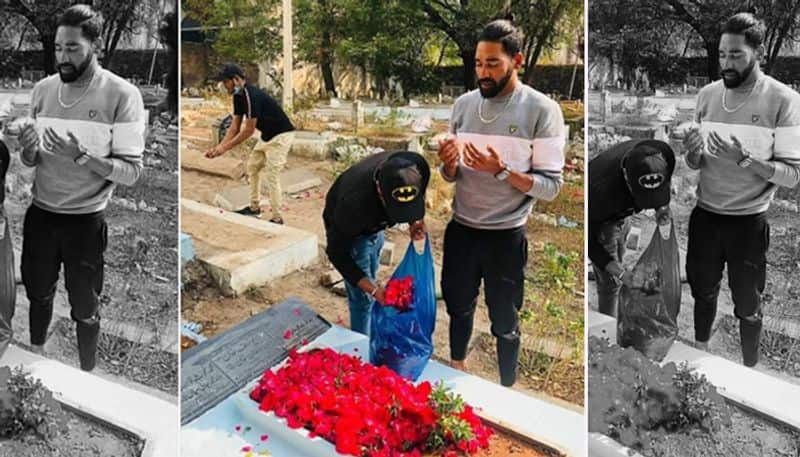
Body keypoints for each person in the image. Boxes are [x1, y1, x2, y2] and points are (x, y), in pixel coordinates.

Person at [16, 4, 145, 371]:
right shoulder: (43, 90)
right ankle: (35, 359)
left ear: (96, 45)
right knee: (39, 294)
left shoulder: (122, 95)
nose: (63, 56)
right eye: (59, 48)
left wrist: (83, 156)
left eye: (73, 48)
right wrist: (27, 148)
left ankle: (87, 371)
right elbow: (32, 160)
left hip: (85, 223)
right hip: (41, 215)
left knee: (85, 308)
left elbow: (133, 173)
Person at [437, 20, 566, 387]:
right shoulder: (463, 106)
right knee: (459, 308)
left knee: (505, 321)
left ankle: (507, 386)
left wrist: (502, 171)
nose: (483, 72)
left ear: (517, 60)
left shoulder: (542, 110)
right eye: (479, 63)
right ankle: (456, 369)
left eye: (493, 63)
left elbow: (551, 187)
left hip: (505, 237)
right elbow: (452, 175)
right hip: (462, 229)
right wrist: (448, 163)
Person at [682, 13, 800, 367]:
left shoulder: (783, 100)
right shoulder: (707, 95)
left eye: (736, 55)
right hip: (705, 217)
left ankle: (750, 371)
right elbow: (696, 163)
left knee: (748, 306)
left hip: (748, 223)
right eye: (722, 54)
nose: (726, 63)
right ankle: (698, 360)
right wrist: (691, 150)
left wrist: (746, 159)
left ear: (758, 52)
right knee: (703, 293)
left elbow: (793, 176)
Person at [323, 151, 428, 335]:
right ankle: (362, 348)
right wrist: (373, 290)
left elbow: (412, 196)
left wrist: (415, 221)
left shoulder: (413, 167)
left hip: (373, 227)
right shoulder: (353, 206)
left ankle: (373, 327)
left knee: (373, 266)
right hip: (352, 236)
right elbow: (337, 253)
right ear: (380, 191)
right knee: (363, 298)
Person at [588, 139, 675, 317]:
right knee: (610, 281)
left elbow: (658, 184)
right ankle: (607, 328)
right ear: (627, 179)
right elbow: (590, 244)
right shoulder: (598, 192)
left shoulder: (660, 155)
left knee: (621, 249)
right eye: (645, 198)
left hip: (621, 212)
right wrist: (621, 274)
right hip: (603, 220)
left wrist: (662, 209)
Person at [205, 64, 295, 224]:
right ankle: (254, 208)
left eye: (226, 82)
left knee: (272, 175)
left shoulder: (250, 95)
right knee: (252, 168)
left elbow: (248, 130)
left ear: (236, 80)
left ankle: (277, 217)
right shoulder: (238, 96)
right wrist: (219, 148)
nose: (224, 86)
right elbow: (234, 126)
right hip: (267, 136)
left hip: (281, 136)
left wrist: (224, 147)